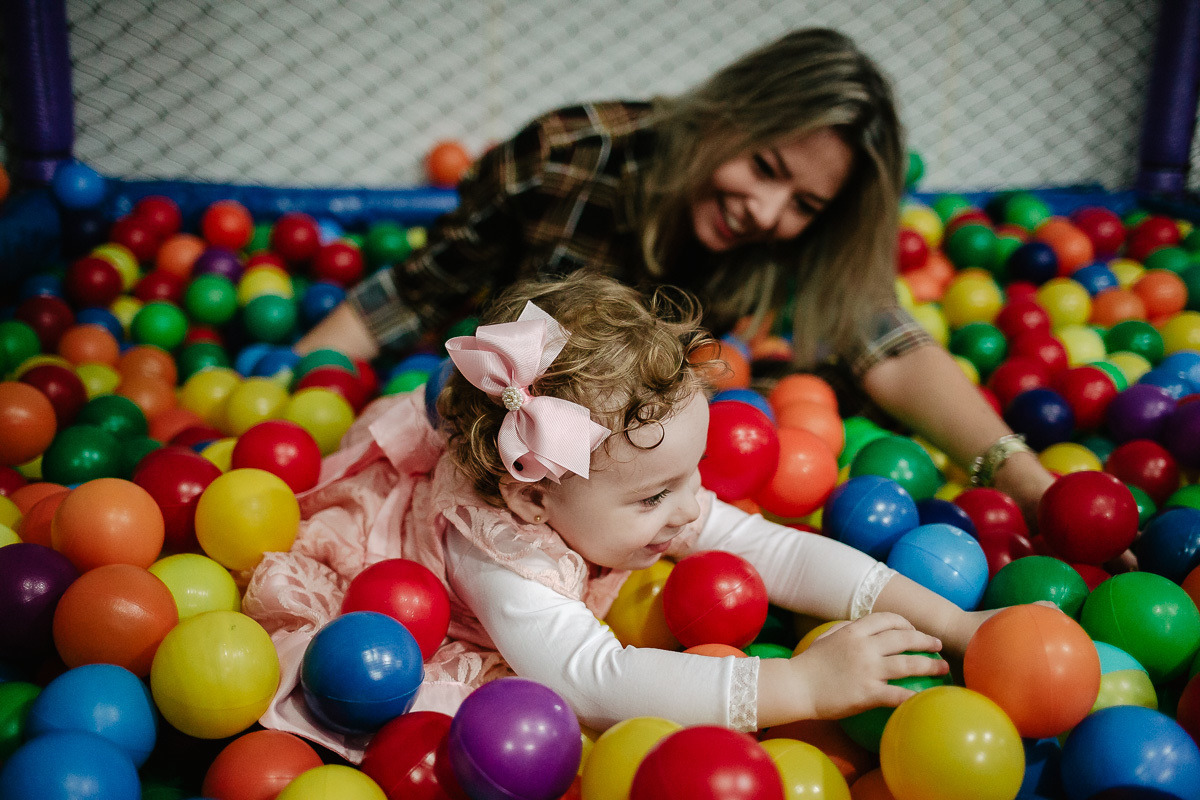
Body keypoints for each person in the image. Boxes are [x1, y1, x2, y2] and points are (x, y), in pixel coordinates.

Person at [245, 272, 1012, 762]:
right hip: (408, 591)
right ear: (533, 497)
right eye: (652, 497)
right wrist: (799, 687)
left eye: (692, 477)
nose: (688, 510)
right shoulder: (506, 556)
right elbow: (596, 682)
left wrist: (955, 624)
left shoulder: (635, 488)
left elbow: (770, 548)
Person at [296, 27, 1055, 523]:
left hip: (620, 467)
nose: (765, 211)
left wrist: (1024, 480)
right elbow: (413, 291)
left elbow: (887, 346)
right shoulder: (570, 154)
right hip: (480, 414)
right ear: (727, 113)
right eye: (764, 166)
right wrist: (290, 391)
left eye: (803, 204)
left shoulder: (800, 237)